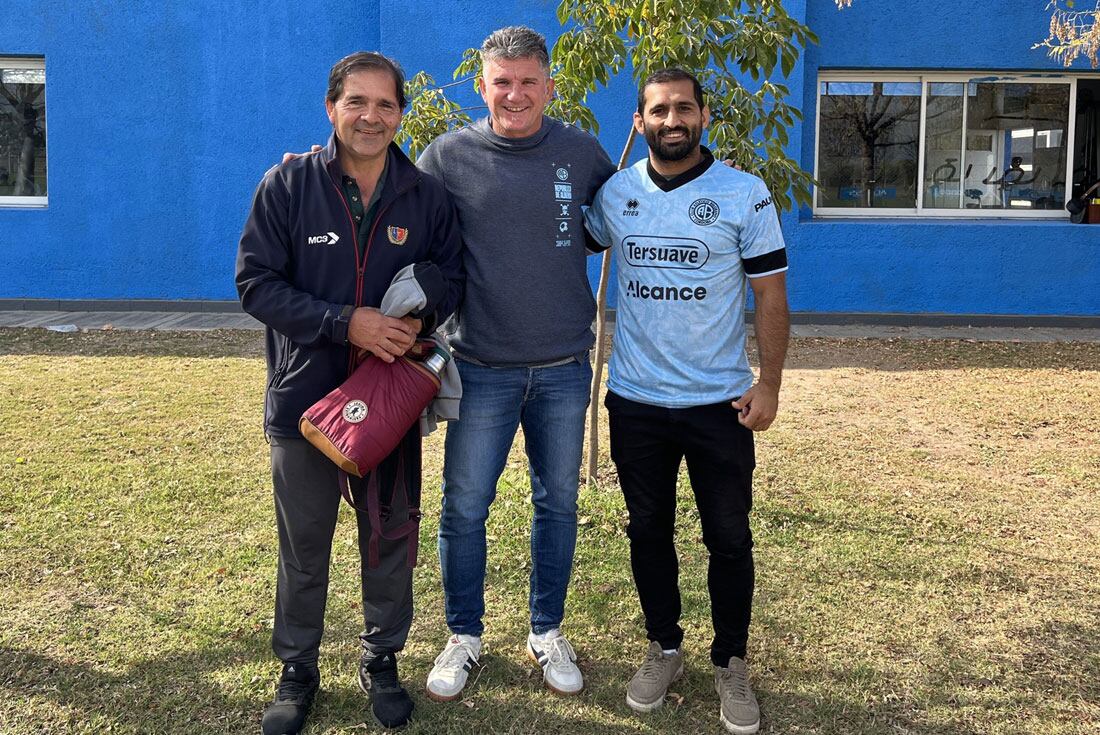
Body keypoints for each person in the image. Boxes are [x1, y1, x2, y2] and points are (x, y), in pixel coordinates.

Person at [236, 51, 463, 734]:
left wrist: (417, 308)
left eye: (385, 105)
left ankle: (381, 657)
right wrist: (346, 322)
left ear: (400, 113)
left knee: (389, 536)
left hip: (387, 405)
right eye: (356, 102)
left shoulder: (425, 197)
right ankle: (297, 669)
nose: (371, 116)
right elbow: (255, 283)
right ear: (331, 107)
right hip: (304, 404)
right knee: (304, 547)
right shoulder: (287, 185)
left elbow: (454, 276)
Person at [583, 68, 790, 735]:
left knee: (728, 536)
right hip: (636, 401)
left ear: (703, 116)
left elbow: (770, 296)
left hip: (719, 404)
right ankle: (663, 645)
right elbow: (557, 239)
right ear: (639, 122)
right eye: (658, 110)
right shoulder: (616, 194)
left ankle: (731, 659)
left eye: (683, 108)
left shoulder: (744, 193)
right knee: (649, 530)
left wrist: (770, 384)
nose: (672, 120)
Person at [416, 26, 616, 701]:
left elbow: (632, 207)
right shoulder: (446, 156)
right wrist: (318, 169)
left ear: (550, 85)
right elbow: (393, 207)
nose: (516, 93)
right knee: (465, 507)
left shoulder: (583, 153)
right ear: (482, 86)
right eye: (502, 81)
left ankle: (545, 630)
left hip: (563, 366)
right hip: (481, 367)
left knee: (557, 504)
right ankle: (464, 635)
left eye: (529, 80)